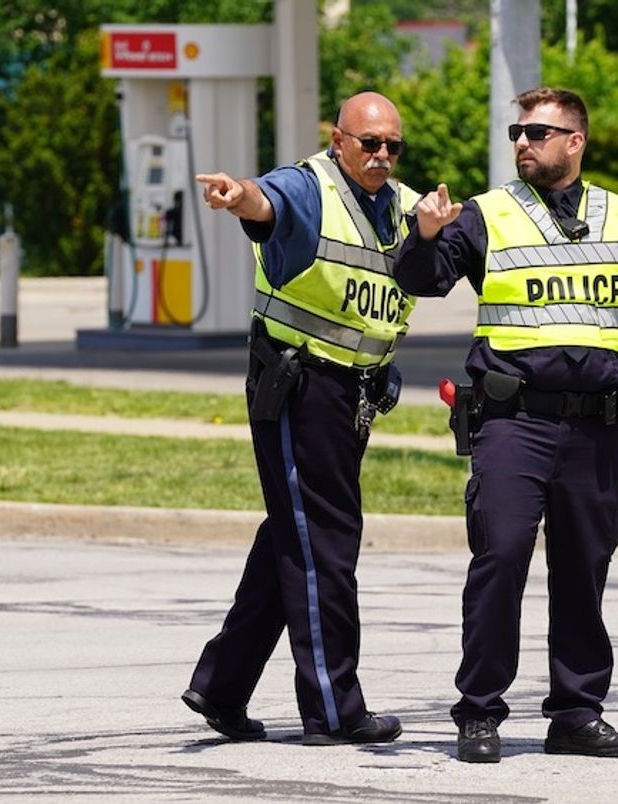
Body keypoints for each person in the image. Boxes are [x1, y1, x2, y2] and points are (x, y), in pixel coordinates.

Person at [393, 87, 618, 763]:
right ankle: (478, 712)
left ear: (575, 142)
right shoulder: (487, 215)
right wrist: (422, 235)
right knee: (500, 559)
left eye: (539, 132)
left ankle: (575, 713)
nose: (523, 143)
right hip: (514, 422)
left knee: (584, 570)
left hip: (595, 427)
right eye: (518, 131)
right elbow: (424, 279)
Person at [181, 91, 419, 746]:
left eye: (392, 146)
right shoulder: (310, 186)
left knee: (296, 535)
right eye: (369, 142)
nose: (381, 155)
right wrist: (239, 197)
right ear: (337, 138)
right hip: (300, 385)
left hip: (353, 393)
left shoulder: (396, 208)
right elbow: (267, 202)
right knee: (326, 543)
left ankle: (221, 685)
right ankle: (335, 710)